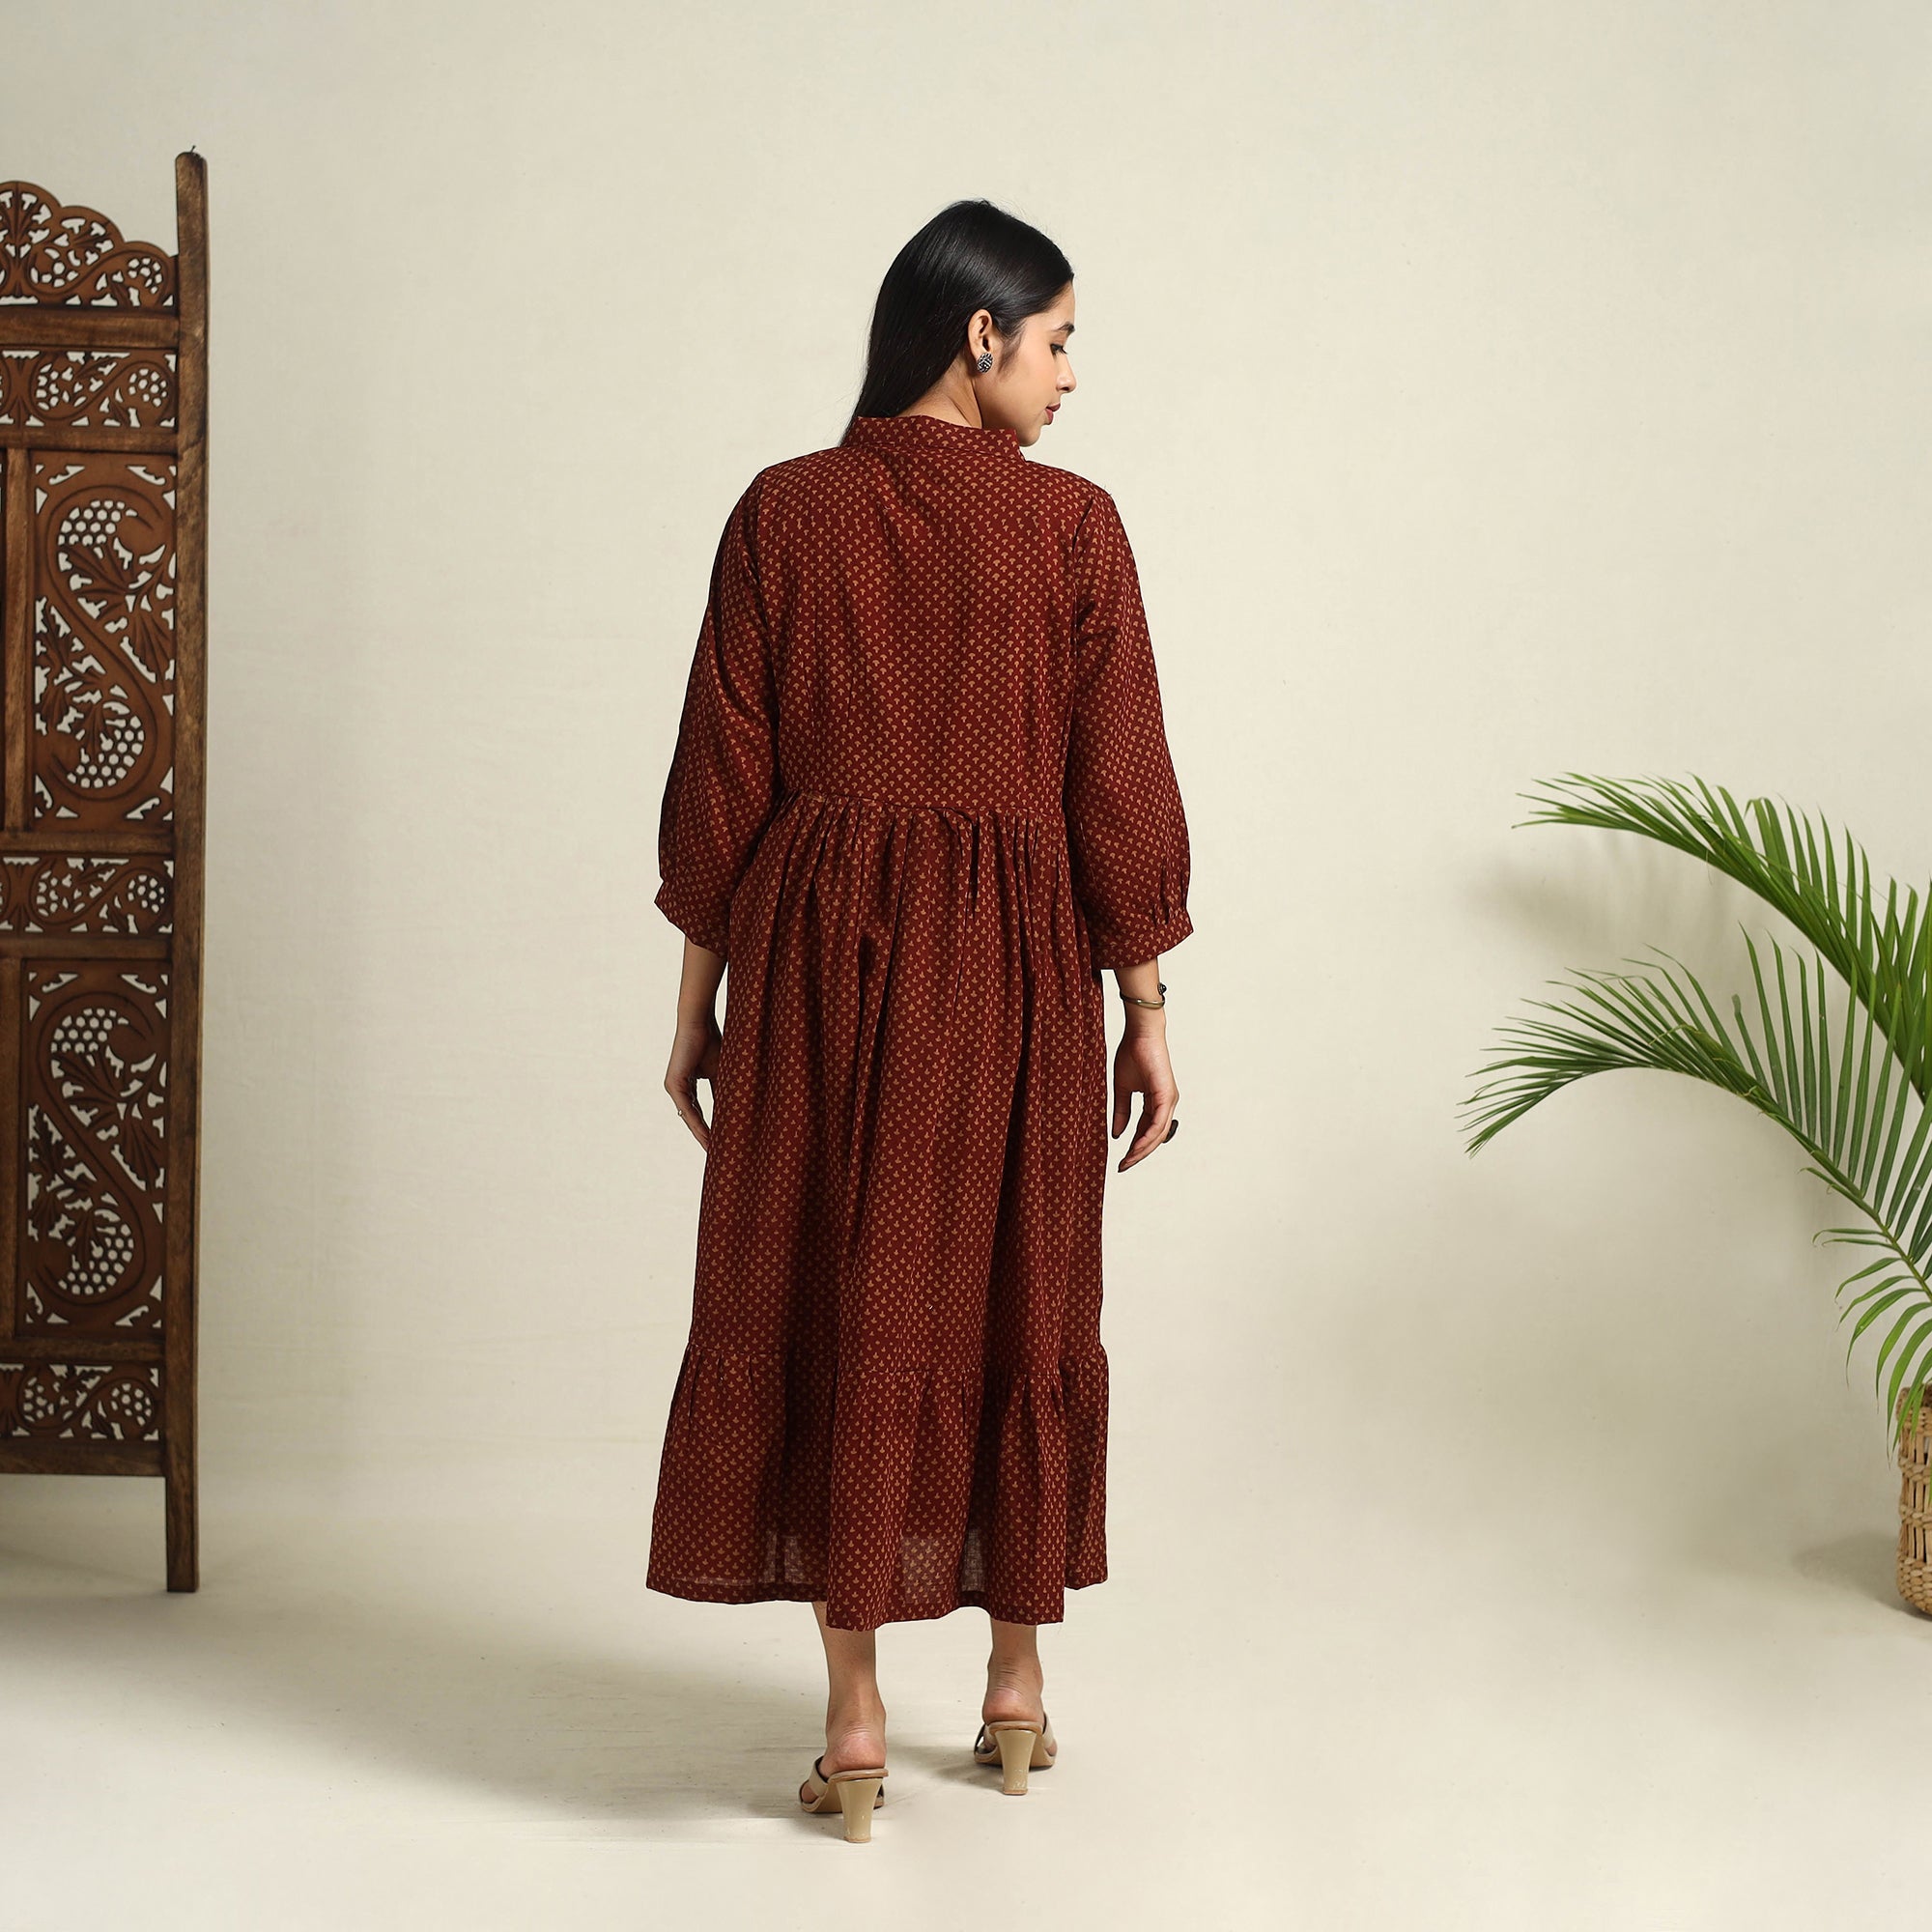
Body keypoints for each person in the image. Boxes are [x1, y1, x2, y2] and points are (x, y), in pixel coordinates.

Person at [646, 197, 1195, 1842]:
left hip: (820, 961)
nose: (1073, 375)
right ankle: (1016, 1688)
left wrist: (696, 1006)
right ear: (980, 334)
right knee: (1022, 1285)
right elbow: (1119, 787)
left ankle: (857, 1722)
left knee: (833, 1289)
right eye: (1061, 339)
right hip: (1018, 966)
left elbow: (723, 782)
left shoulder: (785, 511)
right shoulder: (1075, 530)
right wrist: (1146, 1007)